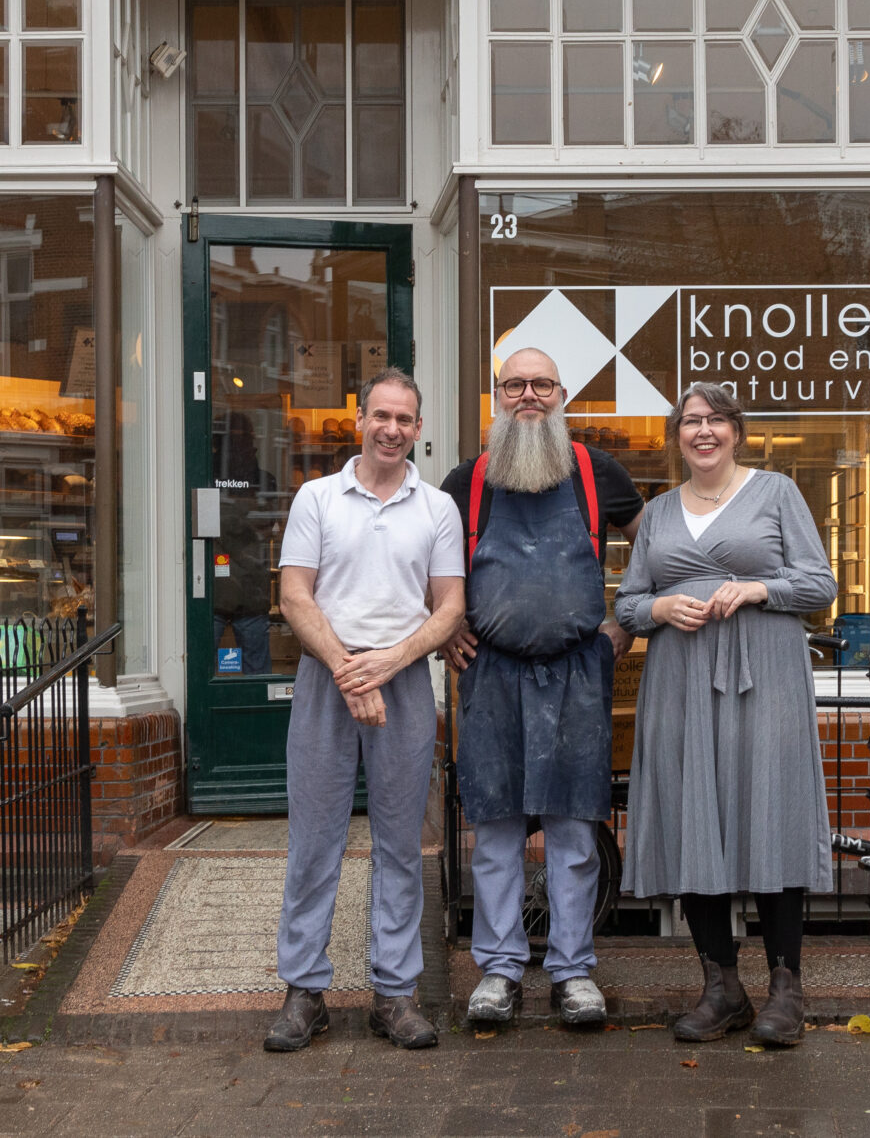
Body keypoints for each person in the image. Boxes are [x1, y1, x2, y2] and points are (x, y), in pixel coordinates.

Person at [615, 381, 836, 1048]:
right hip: (680, 681)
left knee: (769, 811)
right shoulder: (656, 513)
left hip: (764, 678)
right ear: (676, 434)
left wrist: (760, 587)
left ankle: (786, 988)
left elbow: (820, 584)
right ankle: (721, 987)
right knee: (693, 819)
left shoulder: (775, 492)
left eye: (714, 420)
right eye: (690, 421)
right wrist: (660, 609)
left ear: (736, 430)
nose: (702, 430)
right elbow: (628, 603)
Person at [440, 347, 644, 1031]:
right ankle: (497, 971)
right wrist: (443, 630)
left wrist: (627, 620)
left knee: (573, 828)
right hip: (490, 672)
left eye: (542, 384)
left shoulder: (597, 471)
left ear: (562, 394)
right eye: (515, 384)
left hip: (578, 673)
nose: (529, 394)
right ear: (498, 396)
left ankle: (573, 970)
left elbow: (654, 546)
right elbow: (428, 571)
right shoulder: (467, 481)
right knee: (495, 827)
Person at [266, 368, 465, 1053]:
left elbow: (451, 608)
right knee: (315, 840)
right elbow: (295, 595)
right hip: (328, 678)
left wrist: (389, 661)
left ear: (418, 428)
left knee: (401, 844)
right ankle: (304, 990)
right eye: (381, 415)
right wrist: (351, 670)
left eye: (405, 419)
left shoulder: (438, 508)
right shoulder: (317, 498)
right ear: (359, 419)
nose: (392, 429)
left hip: (405, 682)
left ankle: (395, 993)